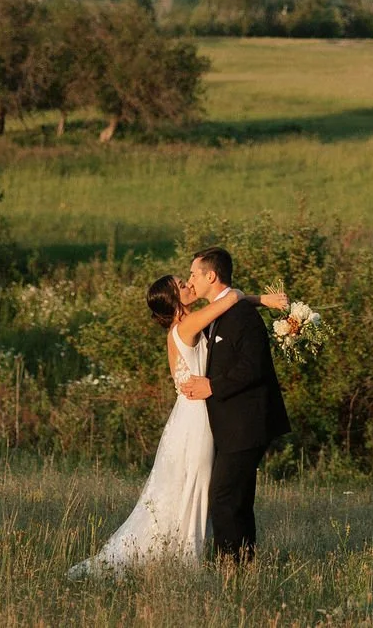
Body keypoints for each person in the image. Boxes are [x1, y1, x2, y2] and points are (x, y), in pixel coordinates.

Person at [68, 262, 287, 577]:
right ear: (174, 300)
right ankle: (183, 559)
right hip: (195, 419)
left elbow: (226, 299)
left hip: (200, 413)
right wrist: (261, 299)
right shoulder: (185, 326)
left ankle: (198, 555)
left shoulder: (191, 322)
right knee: (193, 488)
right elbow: (228, 298)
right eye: (182, 284)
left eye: (188, 279)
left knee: (195, 488)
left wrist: (260, 300)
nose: (189, 285)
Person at [177, 245, 292, 563]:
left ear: (210, 275)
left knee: (224, 496)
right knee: (236, 497)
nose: (191, 280)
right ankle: (243, 561)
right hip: (228, 424)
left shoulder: (242, 316)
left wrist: (211, 386)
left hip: (247, 422)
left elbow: (252, 368)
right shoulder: (221, 311)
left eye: (193, 274)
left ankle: (231, 564)